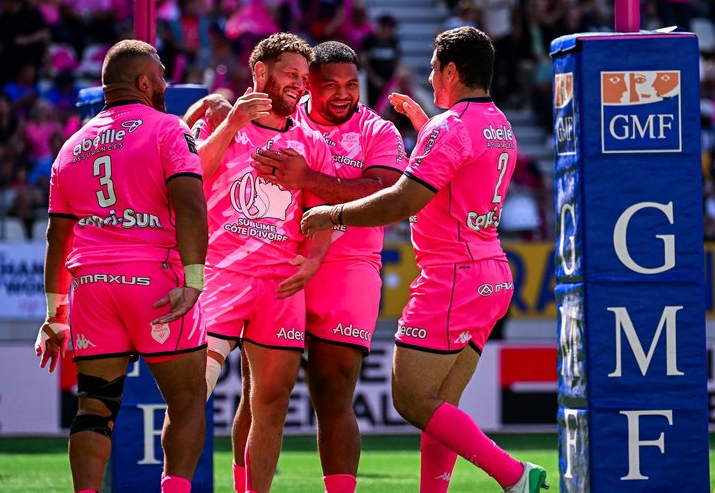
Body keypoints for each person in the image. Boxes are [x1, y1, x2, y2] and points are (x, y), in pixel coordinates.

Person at [301, 27, 549, 493]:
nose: (430, 77)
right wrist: (425, 126)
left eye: (434, 69)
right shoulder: (499, 123)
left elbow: (402, 200)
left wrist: (332, 213)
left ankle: (514, 475)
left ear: (451, 71)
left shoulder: (449, 128)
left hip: (452, 277)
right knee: (441, 406)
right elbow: (462, 168)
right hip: (492, 273)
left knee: (412, 399)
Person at [34, 39, 209, 493]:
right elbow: (191, 205)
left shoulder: (70, 147)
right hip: (156, 281)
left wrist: (53, 315)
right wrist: (194, 279)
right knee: (188, 399)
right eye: (162, 75)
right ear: (144, 82)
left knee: (94, 408)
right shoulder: (169, 128)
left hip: (92, 286)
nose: (166, 83)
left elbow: (57, 237)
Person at [249, 41, 407, 493]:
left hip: (350, 268)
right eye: (330, 85)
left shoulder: (379, 131)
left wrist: (309, 179)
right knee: (262, 394)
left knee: (333, 392)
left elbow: (384, 194)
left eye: (351, 85)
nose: (343, 94)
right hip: (279, 262)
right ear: (306, 86)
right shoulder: (281, 120)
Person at [194, 32, 333, 493]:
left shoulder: (311, 142)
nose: (299, 84)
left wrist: (313, 260)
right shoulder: (226, 122)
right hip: (222, 276)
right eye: (291, 74)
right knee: (192, 395)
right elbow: (191, 176)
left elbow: (323, 208)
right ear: (260, 72)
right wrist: (232, 122)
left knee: (271, 405)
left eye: (303, 78)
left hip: (280, 286)